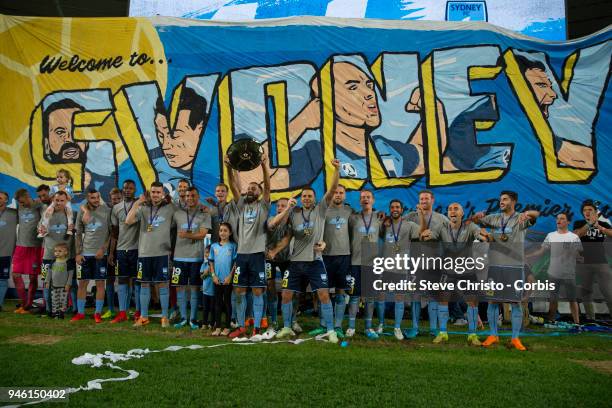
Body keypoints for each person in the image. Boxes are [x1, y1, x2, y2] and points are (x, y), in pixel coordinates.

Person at [270, 159, 341, 343]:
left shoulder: (320, 210)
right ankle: (286, 327)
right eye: (304, 196)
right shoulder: (294, 214)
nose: (307, 198)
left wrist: (337, 169)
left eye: (310, 196)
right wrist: (275, 250)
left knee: (323, 294)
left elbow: (332, 190)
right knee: (286, 294)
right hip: (295, 262)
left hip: (315, 261)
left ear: (314, 198)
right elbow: (286, 235)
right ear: (301, 198)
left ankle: (331, 330)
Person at [472, 190, 539, 351]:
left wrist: (528, 213)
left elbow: (535, 215)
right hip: (494, 266)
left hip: (514, 267)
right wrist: (477, 216)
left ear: (513, 201)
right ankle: (493, 335)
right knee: (492, 301)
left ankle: (515, 338)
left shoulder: (520, 219)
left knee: (515, 302)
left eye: (505, 199)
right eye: (500, 199)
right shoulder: (494, 218)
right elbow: (475, 221)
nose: (501, 201)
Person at [224, 153, 271, 340]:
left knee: (258, 291)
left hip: (258, 255)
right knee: (239, 291)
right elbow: (234, 186)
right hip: (242, 255)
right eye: (249, 188)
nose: (250, 190)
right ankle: (243, 328)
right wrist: (228, 166)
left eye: (254, 188)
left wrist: (264, 166)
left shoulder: (264, 206)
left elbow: (268, 185)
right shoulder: (241, 204)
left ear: (259, 193)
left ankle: (258, 328)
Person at [126, 181, 177, 327]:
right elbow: (128, 220)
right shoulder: (143, 208)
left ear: (163, 193)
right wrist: (138, 202)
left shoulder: (170, 208)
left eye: (158, 192)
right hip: (144, 253)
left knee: (162, 284)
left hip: (162, 253)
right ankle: (143, 316)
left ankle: (165, 317)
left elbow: (183, 213)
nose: (155, 195)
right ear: (150, 193)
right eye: (153, 192)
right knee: (144, 285)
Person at [436, 202, 487, 345]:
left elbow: (479, 233)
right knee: (443, 299)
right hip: (448, 270)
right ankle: (442, 332)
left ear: (462, 213)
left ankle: (472, 335)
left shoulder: (470, 227)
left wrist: (483, 236)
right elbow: (432, 235)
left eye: (456, 209)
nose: (452, 211)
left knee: (472, 301)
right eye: (450, 209)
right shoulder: (441, 227)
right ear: (447, 214)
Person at [405, 190, 449, 338]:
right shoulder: (411, 216)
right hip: (416, 263)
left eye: (426, 199)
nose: (424, 201)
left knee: (433, 296)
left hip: (435, 263)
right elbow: (398, 226)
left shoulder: (442, 219)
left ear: (432, 200)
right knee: (415, 296)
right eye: (421, 199)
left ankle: (433, 328)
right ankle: (415, 328)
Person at [529, 213, 582, 324]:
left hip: (569, 273)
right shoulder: (551, 235)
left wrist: (572, 254)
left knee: (572, 299)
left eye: (562, 218)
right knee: (553, 298)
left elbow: (578, 255)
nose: (559, 220)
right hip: (553, 273)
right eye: (557, 218)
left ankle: (577, 323)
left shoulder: (574, 237)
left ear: (568, 222)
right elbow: (541, 251)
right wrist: (529, 255)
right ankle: (551, 320)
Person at [381, 199, 421, 340]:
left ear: (402, 209)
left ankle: (397, 327)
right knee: (381, 296)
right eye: (392, 207)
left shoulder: (410, 225)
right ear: (389, 209)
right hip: (385, 266)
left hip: (401, 267)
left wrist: (420, 214)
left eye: (397, 207)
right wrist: (384, 219)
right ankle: (380, 324)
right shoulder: (385, 224)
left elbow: (422, 233)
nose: (395, 209)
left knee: (399, 297)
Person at [172, 186, 211, 329]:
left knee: (195, 288)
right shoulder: (177, 213)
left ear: (198, 197)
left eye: (193, 196)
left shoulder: (204, 213)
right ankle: (183, 317)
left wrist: (186, 235)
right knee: (180, 288)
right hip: (179, 257)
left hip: (196, 257)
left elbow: (202, 234)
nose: (190, 198)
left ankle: (193, 319)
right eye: (187, 196)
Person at [72, 189, 112, 323]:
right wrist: (78, 253)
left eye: (97, 197)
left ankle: (98, 313)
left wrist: (103, 249)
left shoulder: (106, 211)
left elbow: (111, 233)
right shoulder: (82, 211)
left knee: (100, 283)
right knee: (82, 283)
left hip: (100, 254)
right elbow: (78, 234)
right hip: (85, 254)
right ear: (87, 199)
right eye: (92, 198)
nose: (95, 200)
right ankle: (80, 313)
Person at [321, 185, 354, 338]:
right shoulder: (324, 210)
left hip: (344, 256)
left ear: (345, 195)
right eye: (335, 192)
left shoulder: (349, 211)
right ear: (331, 194)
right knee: (324, 292)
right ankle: (324, 324)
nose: (338, 195)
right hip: (326, 257)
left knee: (341, 292)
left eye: (341, 192)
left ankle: (338, 325)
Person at [572, 200, 612, 319]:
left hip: (601, 262)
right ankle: (591, 319)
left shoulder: (603, 224)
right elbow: (577, 234)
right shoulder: (579, 223)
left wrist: (599, 226)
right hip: (584, 263)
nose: (587, 212)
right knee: (586, 292)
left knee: (608, 292)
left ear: (595, 212)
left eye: (590, 210)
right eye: (585, 210)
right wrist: (589, 224)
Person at [39, 190, 75, 318]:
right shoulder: (46, 214)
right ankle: (49, 310)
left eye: (62, 200)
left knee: (70, 283)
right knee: (46, 282)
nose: (59, 203)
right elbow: (40, 230)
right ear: (53, 200)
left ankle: (72, 308)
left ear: (66, 201)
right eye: (56, 200)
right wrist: (42, 229)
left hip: (67, 258)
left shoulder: (71, 214)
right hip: (48, 256)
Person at [110, 180, 140, 323]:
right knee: (122, 280)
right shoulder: (116, 208)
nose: (127, 190)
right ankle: (122, 312)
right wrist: (111, 252)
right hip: (121, 249)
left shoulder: (140, 206)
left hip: (137, 249)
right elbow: (114, 233)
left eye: (130, 188)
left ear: (135, 190)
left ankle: (138, 312)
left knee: (137, 282)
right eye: (125, 188)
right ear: (122, 190)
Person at [13, 189, 45, 313]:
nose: (22, 205)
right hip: (21, 246)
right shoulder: (19, 206)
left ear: (28, 197)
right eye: (20, 203)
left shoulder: (39, 205)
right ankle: (24, 302)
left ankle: (29, 304)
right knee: (15, 275)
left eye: (23, 202)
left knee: (33, 277)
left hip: (35, 247)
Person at [264, 197, 292, 337]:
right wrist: (271, 253)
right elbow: (272, 225)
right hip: (269, 258)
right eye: (278, 206)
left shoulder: (292, 222)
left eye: (283, 206)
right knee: (270, 286)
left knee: (289, 289)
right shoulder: (271, 219)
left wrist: (275, 251)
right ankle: (274, 321)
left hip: (286, 259)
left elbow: (286, 239)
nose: (280, 208)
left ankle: (290, 321)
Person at [209, 223, 237, 336]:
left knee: (227, 302)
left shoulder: (233, 246)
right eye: (221, 230)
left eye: (225, 230)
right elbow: (211, 262)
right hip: (217, 279)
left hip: (227, 280)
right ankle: (218, 327)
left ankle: (227, 327)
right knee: (217, 303)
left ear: (230, 233)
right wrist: (213, 276)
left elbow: (235, 263)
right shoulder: (214, 246)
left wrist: (230, 276)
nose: (222, 233)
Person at [102, 187, 123, 320]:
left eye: (118, 199)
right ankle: (110, 309)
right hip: (112, 250)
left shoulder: (128, 210)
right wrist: (109, 252)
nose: (115, 201)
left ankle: (124, 309)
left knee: (126, 280)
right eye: (113, 199)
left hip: (127, 249)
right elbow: (111, 235)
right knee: (109, 280)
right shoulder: (109, 212)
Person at [38, 169, 75, 238]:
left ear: (67, 179)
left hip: (66, 203)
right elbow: (50, 196)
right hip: (55, 203)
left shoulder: (69, 188)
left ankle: (69, 229)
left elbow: (70, 198)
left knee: (69, 214)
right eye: (57, 177)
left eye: (61, 177)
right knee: (47, 212)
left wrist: (64, 190)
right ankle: (44, 228)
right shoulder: (54, 187)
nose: (59, 179)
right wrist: (57, 193)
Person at [0, 191, 18, 310]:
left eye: (1, 198)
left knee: (2, 279)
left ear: (7, 200)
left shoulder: (13, 213)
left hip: (5, 252)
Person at [46, 243, 73, 319]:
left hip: (64, 286)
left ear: (66, 252)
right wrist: (47, 281)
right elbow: (49, 272)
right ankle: (55, 313)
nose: (57, 253)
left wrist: (68, 284)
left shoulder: (68, 262)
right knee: (54, 299)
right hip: (54, 285)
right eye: (55, 251)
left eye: (59, 251)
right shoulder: (53, 262)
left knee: (63, 300)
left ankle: (61, 313)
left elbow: (70, 274)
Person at [200, 246, 215, 330]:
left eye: (209, 252)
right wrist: (205, 273)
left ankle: (212, 324)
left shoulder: (216, 265)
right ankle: (204, 323)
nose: (207, 254)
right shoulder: (204, 264)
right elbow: (201, 277)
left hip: (214, 292)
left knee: (213, 309)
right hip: (205, 291)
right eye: (206, 252)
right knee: (205, 308)